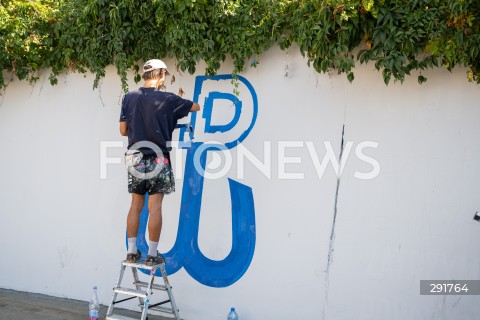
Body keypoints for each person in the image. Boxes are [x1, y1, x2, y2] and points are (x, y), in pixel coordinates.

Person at [119, 59, 200, 265]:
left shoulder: (129, 97)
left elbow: (122, 130)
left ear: (145, 75)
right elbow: (196, 107)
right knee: (154, 206)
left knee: (136, 204)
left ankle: (131, 252)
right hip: (158, 155)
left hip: (135, 155)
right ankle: (152, 255)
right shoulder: (169, 99)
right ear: (162, 75)